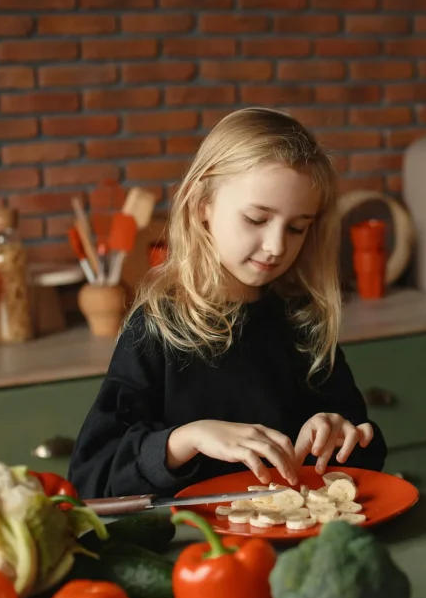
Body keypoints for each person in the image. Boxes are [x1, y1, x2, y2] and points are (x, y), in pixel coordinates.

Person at [68, 107, 387, 499]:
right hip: (191, 552)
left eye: (296, 227)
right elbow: (91, 477)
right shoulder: (156, 328)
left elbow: (364, 461)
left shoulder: (304, 323)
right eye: (256, 219)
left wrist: (341, 436)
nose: (276, 246)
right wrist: (185, 440)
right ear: (203, 205)